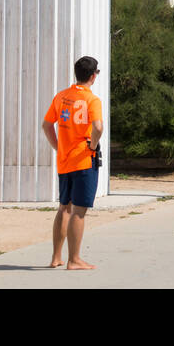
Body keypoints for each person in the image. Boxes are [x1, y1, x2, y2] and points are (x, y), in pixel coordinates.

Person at [42, 55, 104, 270]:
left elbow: (47, 125)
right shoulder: (91, 100)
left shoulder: (61, 96)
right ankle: (74, 259)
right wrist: (93, 146)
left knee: (64, 208)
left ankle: (56, 257)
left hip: (64, 159)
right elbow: (98, 127)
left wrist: (58, 147)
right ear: (93, 76)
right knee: (79, 211)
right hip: (83, 160)